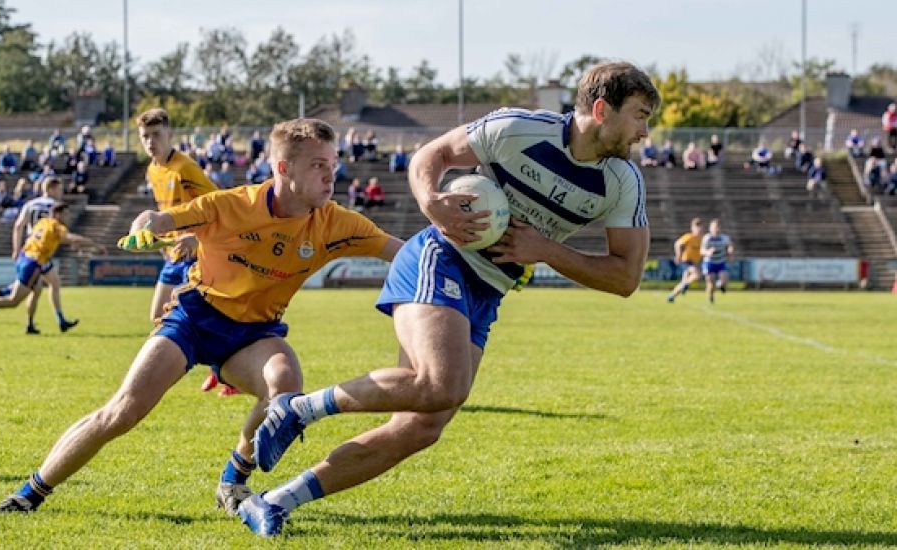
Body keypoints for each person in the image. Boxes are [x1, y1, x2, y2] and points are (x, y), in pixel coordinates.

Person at [240, 61, 658, 537]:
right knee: (443, 383)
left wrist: (546, 251)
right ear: (602, 110)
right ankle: (297, 409)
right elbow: (429, 157)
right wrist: (430, 200)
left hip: (490, 289)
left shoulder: (623, 182)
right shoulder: (517, 129)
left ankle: (272, 501)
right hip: (442, 257)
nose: (645, 131)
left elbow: (625, 276)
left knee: (420, 427)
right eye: (640, 115)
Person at [0, 117, 402, 517]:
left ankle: (232, 482)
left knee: (285, 389)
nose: (331, 176)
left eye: (332, 164)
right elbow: (160, 219)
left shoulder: (336, 222)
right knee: (124, 411)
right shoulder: (231, 205)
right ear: (282, 167)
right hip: (194, 318)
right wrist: (145, 225)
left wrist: (456, 247)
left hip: (255, 333)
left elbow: (400, 251)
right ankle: (30, 492)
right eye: (318, 165)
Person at [133, 108, 231, 395]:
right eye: (145, 136)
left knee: (199, 318)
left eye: (157, 135)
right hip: (174, 255)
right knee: (157, 316)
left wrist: (196, 239)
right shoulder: (152, 169)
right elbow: (168, 212)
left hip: (197, 255)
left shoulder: (185, 168)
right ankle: (219, 369)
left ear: (170, 135)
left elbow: (219, 207)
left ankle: (225, 372)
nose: (151, 142)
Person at [0, 203, 104, 331]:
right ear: (57, 214)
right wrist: (95, 245)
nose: (68, 217)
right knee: (14, 301)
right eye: (66, 214)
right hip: (33, 264)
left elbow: (52, 239)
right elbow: (71, 238)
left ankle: (29, 323)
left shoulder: (43, 222)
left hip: (24, 257)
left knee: (37, 290)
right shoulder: (57, 226)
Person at [666, 218, 704, 303]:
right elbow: (677, 244)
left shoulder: (702, 238)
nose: (699, 229)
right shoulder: (689, 237)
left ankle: (671, 296)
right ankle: (686, 285)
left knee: (684, 281)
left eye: (700, 227)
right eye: (697, 227)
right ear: (692, 228)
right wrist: (678, 255)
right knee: (697, 274)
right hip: (686, 261)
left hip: (694, 262)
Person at [700, 218, 734, 304]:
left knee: (724, 279)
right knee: (711, 283)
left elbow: (729, 246)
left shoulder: (724, 238)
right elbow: (702, 251)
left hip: (720, 262)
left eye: (718, 227)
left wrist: (730, 252)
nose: (716, 229)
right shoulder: (707, 238)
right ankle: (710, 296)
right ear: (710, 228)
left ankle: (720, 285)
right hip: (709, 262)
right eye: (714, 227)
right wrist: (708, 252)